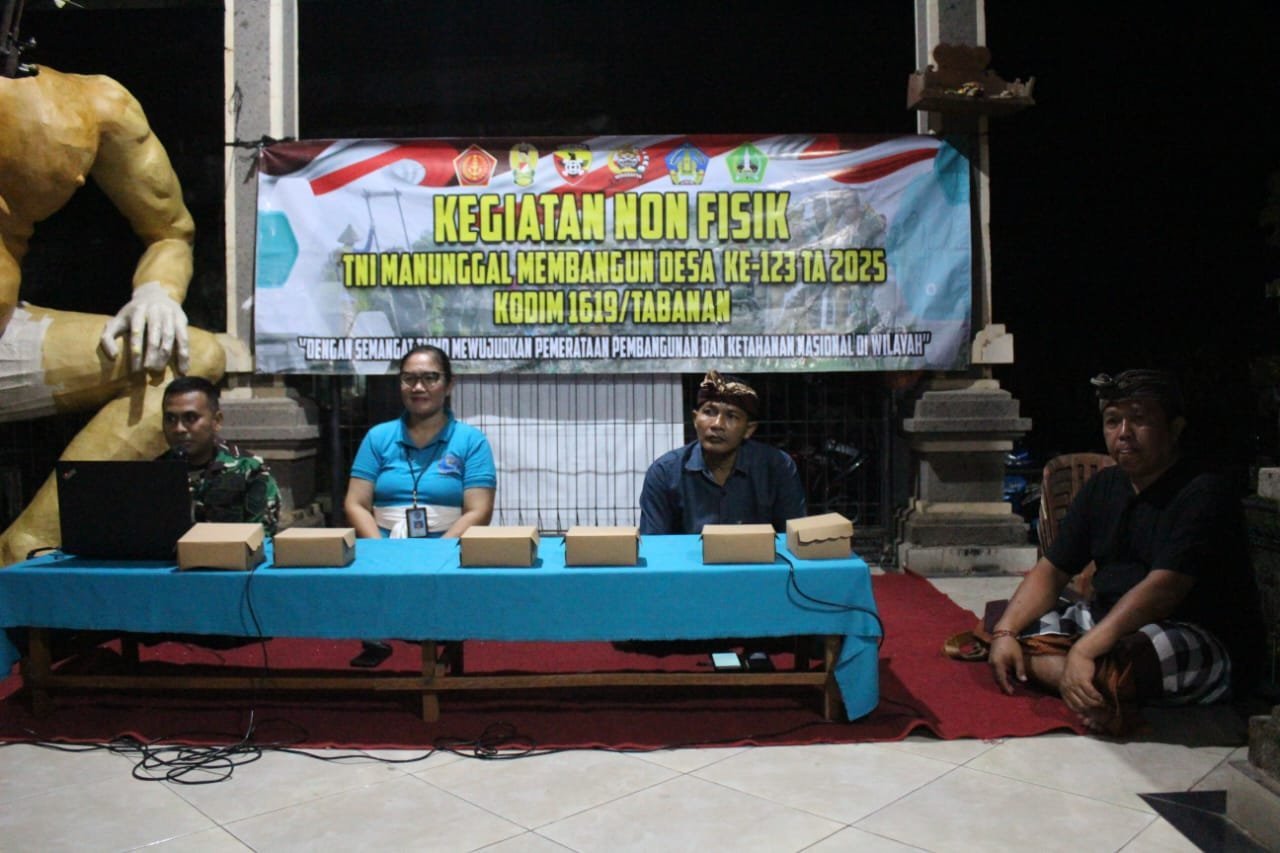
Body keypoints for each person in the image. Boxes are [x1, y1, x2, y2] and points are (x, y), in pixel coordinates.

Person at [0, 62, 225, 564]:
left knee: (189, 356)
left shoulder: (95, 103)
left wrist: (157, 291)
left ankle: (23, 550)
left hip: (5, 334)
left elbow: (169, 230)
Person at [986, 369, 1263, 735]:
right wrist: (1006, 633)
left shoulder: (1204, 491)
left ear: (1175, 428)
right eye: (1113, 421)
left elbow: (1163, 591)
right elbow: (1052, 570)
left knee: (1142, 654)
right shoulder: (1104, 486)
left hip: (1190, 630)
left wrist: (1084, 649)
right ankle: (1094, 688)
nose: (1124, 433)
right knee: (1006, 618)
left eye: (1139, 419)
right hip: (1109, 621)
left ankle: (1086, 676)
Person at [343, 345, 496, 667]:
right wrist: (380, 549)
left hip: (447, 547)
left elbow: (479, 510)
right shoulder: (378, 437)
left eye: (430, 378)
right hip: (382, 544)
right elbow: (356, 502)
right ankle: (377, 638)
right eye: (409, 378)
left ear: (449, 384)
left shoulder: (471, 441)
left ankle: (443, 642)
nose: (418, 387)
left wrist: (438, 552)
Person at [639, 370, 806, 535]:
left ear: (749, 429)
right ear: (695, 419)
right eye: (709, 412)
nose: (717, 424)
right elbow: (654, 544)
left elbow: (793, 539)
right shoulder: (665, 473)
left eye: (731, 416)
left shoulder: (777, 468)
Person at [157, 376, 281, 534]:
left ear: (216, 421)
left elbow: (261, 538)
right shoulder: (155, 474)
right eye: (170, 419)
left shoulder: (249, 471)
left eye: (190, 418)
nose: (179, 429)